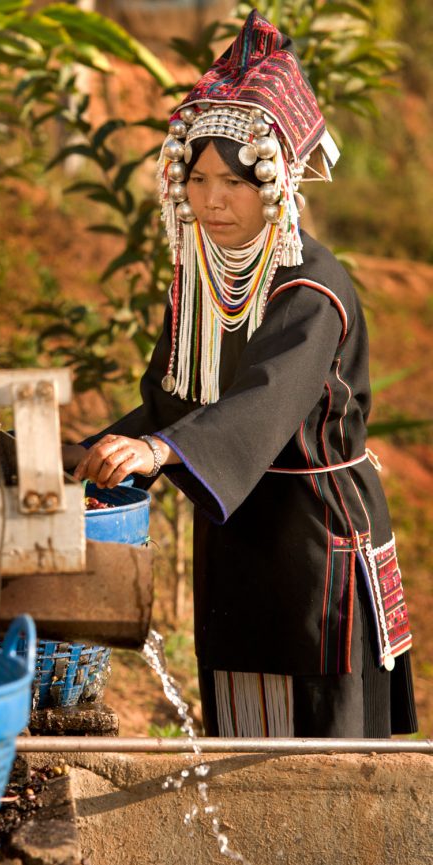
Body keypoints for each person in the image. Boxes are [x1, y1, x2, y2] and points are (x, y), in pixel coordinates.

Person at [63, 10, 417, 739]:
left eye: (235, 180)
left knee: (323, 762)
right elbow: (175, 403)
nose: (213, 199)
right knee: (239, 736)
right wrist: (80, 455)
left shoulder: (310, 288)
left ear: (279, 186)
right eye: (197, 178)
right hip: (236, 536)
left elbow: (263, 401)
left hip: (317, 544)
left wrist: (164, 451)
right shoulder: (201, 282)